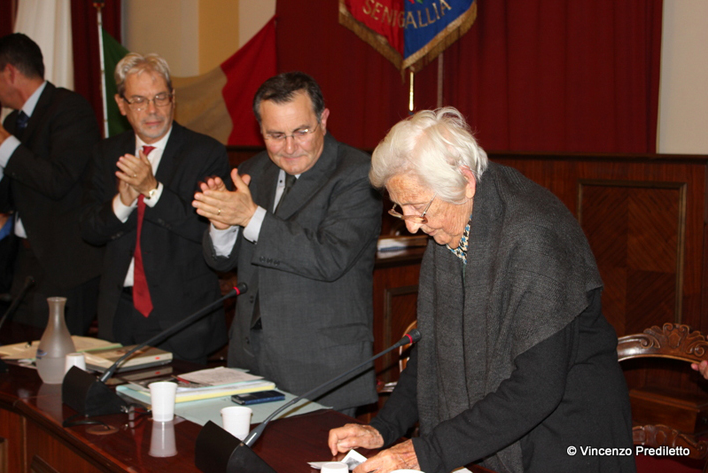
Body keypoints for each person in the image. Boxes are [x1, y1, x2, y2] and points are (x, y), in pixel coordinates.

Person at [328, 108, 636, 472]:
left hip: (569, 432)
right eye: (400, 208)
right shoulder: (451, 224)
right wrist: (383, 428)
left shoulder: (533, 238)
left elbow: (536, 388)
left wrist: (425, 452)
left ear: (465, 181)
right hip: (506, 423)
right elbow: (434, 350)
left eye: (418, 208)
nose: (411, 225)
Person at [192, 72, 381, 414]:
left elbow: (329, 258)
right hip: (250, 360)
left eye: (301, 132)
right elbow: (222, 262)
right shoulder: (253, 171)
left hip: (321, 367)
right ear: (260, 130)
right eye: (276, 135)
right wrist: (222, 226)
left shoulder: (357, 173)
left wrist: (250, 217)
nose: (290, 147)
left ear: (323, 119)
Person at [81, 53, 229, 363]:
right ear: (121, 105)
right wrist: (122, 203)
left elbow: (206, 231)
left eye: (160, 97)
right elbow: (89, 230)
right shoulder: (106, 153)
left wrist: (152, 190)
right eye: (139, 100)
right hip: (119, 311)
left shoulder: (205, 153)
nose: (152, 109)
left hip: (182, 317)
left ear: (173, 99)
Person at [0, 33, 102, 334]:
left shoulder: (69, 109)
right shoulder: (11, 123)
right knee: (18, 350)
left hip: (65, 266)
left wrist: (5, 144)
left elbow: (58, 180)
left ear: (10, 72)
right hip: (24, 261)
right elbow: (8, 198)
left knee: (57, 356)